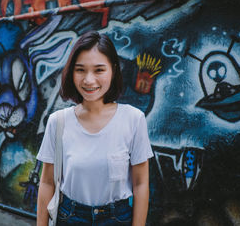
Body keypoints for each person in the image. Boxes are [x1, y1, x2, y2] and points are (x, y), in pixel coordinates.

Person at [36, 31, 153, 226]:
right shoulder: (58, 122)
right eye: (80, 70)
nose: (89, 80)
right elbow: (47, 182)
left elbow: (141, 184)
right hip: (70, 217)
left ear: (113, 70)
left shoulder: (133, 119)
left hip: (117, 218)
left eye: (99, 70)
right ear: (71, 72)